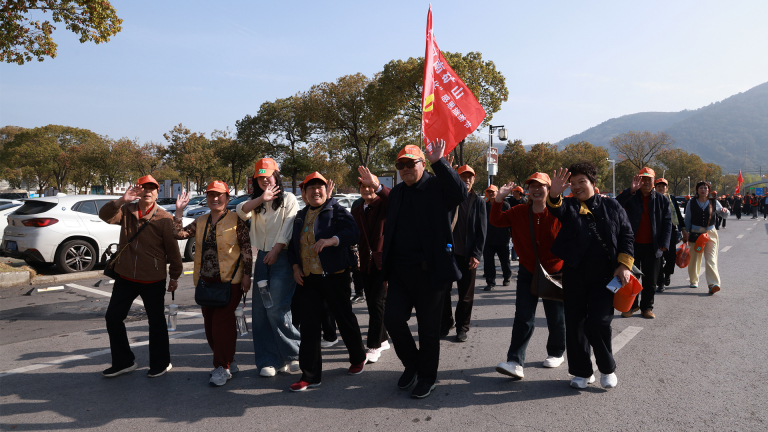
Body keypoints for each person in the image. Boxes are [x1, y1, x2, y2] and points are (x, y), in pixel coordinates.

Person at [382, 140, 466, 399]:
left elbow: (460, 193)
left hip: (431, 273)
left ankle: (428, 376)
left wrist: (439, 162)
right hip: (399, 272)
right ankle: (413, 364)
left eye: (411, 163)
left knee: (428, 329)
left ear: (422, 164)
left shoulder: (436, 186)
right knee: (393, 319)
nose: (406, 168)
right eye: (401, 165)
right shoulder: (397, 193)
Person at [547, 163, 635, 389]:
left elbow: (626, 234)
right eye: (573, 183)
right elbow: (556, 208)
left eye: (581, 182)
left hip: (606, 276)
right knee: (575, 324)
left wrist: (624, 265)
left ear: (593, 184)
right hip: (575, 275)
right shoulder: (569, 206)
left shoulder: (612, 205)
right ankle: (582, 372)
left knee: (599, 322)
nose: (576, 187)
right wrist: (555, 193)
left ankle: (607, 368)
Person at [287, 171, 366, 392]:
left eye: (319, 187)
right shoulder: (300, 217)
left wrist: (332, 240)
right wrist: (295, 267)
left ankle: (358, 357)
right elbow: (293, 248)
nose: (315, 191)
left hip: (335, 276)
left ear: (326, 190)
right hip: (308, 280)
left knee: (344, 318)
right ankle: (310, 375)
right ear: (304, 193)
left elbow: (353, 232)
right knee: (310, 327)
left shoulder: (336, 210)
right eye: (310, 188)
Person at [99, 175, 183, 378]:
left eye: (152, 188)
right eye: (143, 188)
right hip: (125, 275)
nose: (148, 191)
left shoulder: (164, 218)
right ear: (137, 190)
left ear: (157, 192)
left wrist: (174, 276)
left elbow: (173, 251)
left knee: (156, 322)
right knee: (113, 317)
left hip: (152, 277)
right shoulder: (127, 211)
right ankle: (123, 361)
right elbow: (105, 215)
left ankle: (161, 363)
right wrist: (121, 200)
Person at [172, 181, 252, 386]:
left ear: (227, 197)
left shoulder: (236, 220)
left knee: (221, 326)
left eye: (219, 195)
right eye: (211, 195)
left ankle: (222, 367)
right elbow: (178, 234)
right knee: (209, 327)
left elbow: (246, 249)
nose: (215, 199)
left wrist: (247, 276)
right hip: (205, 282)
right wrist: (179, 212)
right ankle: (228, 360)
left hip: (229, 282)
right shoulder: (201, 221)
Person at [491, 173, 566, 379]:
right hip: (528, 271)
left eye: (541, 185)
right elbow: (496, 220)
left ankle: (557, 352)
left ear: (549, 189)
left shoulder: (559, 212)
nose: (536, 188)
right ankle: (515, 361)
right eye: (532, 185)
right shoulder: (519, 211)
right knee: (524, 316)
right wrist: (499, 199)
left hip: (555, 271)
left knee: (556, 317)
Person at [236, 158, 302, 377]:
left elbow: (289, 225)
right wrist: (261, 199)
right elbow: (240, 211)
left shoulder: (289, 198)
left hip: (282, 256)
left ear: (277, 176)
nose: (265, 180)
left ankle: (293, 354)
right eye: (260, 177)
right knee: (261, 311)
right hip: (263, 259)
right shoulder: (256, 202)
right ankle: (268, 360)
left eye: (268, 175)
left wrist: (276, 250)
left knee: (276, 307)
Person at [616, 167, 672, 319]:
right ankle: (631, 306)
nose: (646, 182)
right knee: (630, 279)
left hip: (653, 246)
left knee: (650, 280)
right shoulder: (630, 195)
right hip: (631, 246)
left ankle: (646, 307)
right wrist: (630, 191)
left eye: (649, 179)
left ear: (654, 182)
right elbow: (614, 206)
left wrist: (664, 243)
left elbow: (668, 223)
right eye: (643, 179)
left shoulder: (662, 199)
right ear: (638, 180)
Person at [351, 166, 392, 363]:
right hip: (364, 263)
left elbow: (393, 199)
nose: (367, 190)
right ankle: (383, 338)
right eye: (363, 187)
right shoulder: (357, 208)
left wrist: (378, 186)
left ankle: (374, 345)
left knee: (377, 303)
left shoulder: (384, 204)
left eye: (370, 187)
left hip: (381, 262)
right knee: (373, 303)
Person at [441, 165, 486, 342]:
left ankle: (462, 327)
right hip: (448, 254)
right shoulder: (449, 198)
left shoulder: (478, 201)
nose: (466, 179)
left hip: (468, 256)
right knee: (443, 292)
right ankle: (446, 323)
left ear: (474, 179)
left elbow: (482, 231)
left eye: (470, 177)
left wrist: (477, 253)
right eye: (462, 176)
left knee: (465, 295)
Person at [684, 181, 728, 294]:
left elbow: (724, 214)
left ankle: (713, 284)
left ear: (709, 190)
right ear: (697, 190)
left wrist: (725, 211)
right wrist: (685, 233)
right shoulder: (691, 202)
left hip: (710, 233)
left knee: (711, 258)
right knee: (695, 258)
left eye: (705, 188)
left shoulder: (714, 202)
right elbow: (687, 219)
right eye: (701, 188)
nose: (703, 190)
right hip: (695, 233)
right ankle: (694, 280)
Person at [653, 178, 686, 292]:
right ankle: (660, 282)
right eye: (659, 186)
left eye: (663, 186)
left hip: (671, 230)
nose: (661, 188)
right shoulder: (652, 198)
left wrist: (684, 229)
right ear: (655, 187)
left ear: (667, 188)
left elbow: (677, 214)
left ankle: (667, 274)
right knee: (658, 258)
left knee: (671, 256)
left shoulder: (671, 198)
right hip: (656, 231)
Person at [482, 185, 512, 291]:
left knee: (504, 261)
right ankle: (490, 282)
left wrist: (511, 235)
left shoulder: (505, 205)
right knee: (488, 262)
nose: (491, 194)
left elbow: (510, 222)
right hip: (488, 240)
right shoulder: (484, 206)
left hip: (502, 239)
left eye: (493, 192)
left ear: (497, 192)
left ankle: (507, 277)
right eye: (489, 192)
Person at [505, 186, 527, 261]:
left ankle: (520, 255)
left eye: (514, 191)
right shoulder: (510, 200)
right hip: (511, 224)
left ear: (519, 193)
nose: (513, 193)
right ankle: (514, 256)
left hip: (521, 226)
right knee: (512, 240)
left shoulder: (524, 202)